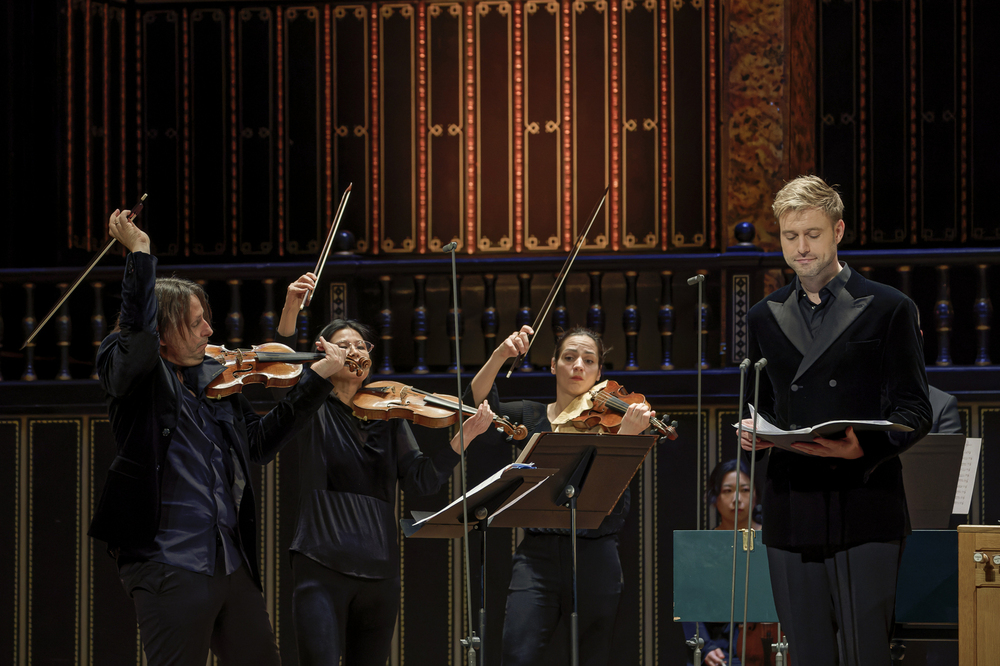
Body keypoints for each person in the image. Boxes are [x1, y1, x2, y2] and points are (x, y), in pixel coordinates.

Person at [88, 209, 346, 665]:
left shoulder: (217, 378)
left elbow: (260, 443)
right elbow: (136, 338)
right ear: (163, 331)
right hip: (167, 559)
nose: (210, 330)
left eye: (206, 319)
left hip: (229, 561)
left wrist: (319, 379)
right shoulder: (133, 371)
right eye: (195, 322)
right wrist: (140, 255)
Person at [739, 175, 931, 666]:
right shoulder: (763, 316)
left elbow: (915, 410)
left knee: (868, 654)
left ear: (838, 230)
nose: (801, 248)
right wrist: (754, 436)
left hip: (865, 503)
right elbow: (763, 407)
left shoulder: (890, 307)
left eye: (813, 234)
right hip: (791, 509)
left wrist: (863, 449)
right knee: (807, 655)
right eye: (790, 236)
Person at [276, 272, 497, 666]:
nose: (356, 353)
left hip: (379, 568)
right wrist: (292, 307)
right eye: (345, 347)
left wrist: (464, 437)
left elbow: (423, 480)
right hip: (320, 561)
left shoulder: (388, 413)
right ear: (325, 354)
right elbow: (286, 369)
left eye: (362, 346)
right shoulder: (312, 406)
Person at [468, 324, 655, 666]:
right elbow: (478, 406)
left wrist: (627, 437)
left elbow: (609, 492)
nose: (578, 366)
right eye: (569, 358)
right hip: (537, 556)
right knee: (516, 654)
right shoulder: (532, 415)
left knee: (592, 657)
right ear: (554, 365)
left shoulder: (614, 420)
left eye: (588, 360)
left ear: (599, 371)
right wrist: (500, 356)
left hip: (596, 554)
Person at [682, 459, 773, 666]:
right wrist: (706, 647)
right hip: (719, 648)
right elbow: (689, 608)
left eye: (745, 490)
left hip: (767, 645)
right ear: (714, 498)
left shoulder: (770, 542)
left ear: (756, 494)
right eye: (727, 491)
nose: (737, 499)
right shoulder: (702, 548)